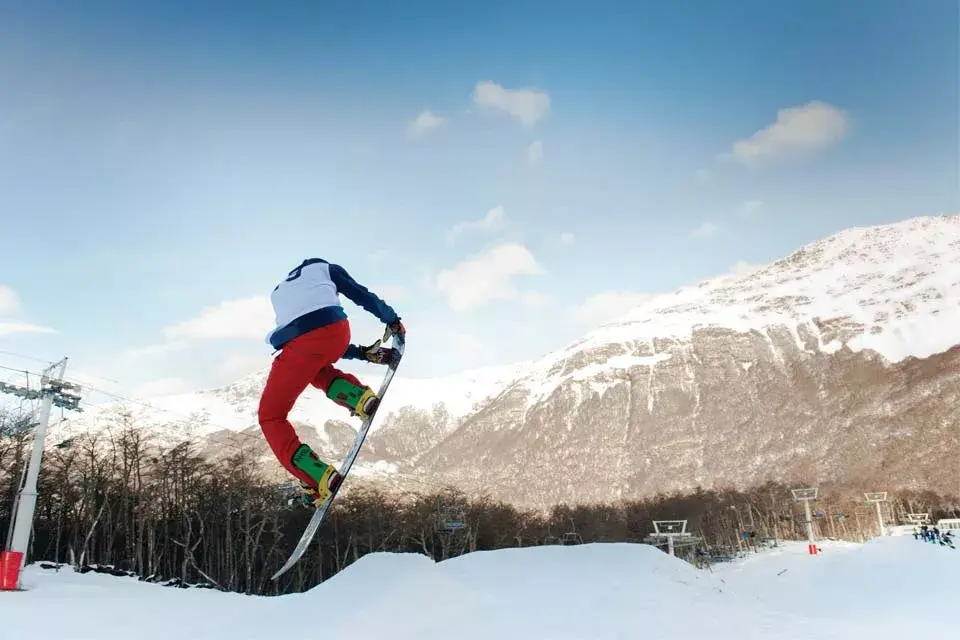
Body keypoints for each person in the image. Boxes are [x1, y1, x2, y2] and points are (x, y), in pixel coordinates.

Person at [258, 257, 405, 506]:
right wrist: (391, 321)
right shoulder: (325, 269)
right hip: (338, 329)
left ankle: (317, 477)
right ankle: (359, 397)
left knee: (270, 416)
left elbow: (307, 338)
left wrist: (363, 352)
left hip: (302, 344)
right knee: (316, 367)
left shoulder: (280, 292)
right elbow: (360, 295)